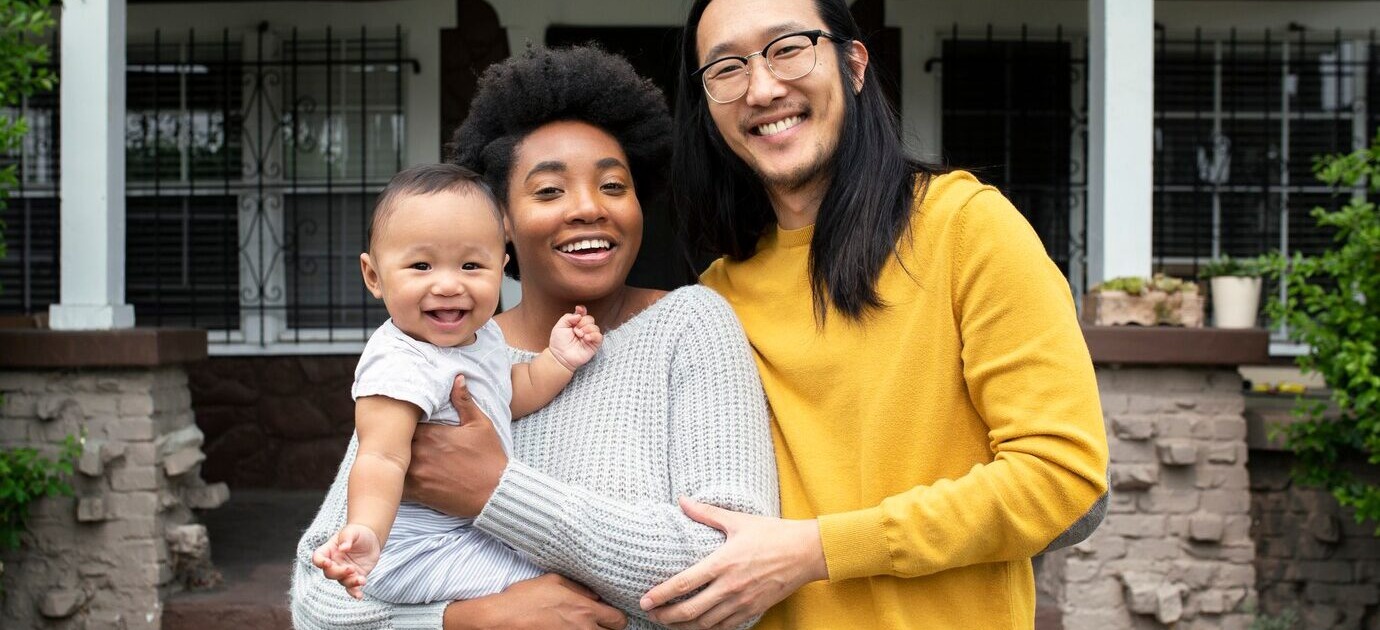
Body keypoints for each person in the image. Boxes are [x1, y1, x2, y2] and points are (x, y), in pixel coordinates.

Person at [634, 0, 1111, 629]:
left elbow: (1061, 477)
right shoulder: (716, 299)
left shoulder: (964, 228)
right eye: (725, 68)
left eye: (787, 48)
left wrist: (816, 550)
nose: (762, 87)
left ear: (853, 64)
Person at [289, 45, 779, 630]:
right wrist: (471, 620)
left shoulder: (692, 326)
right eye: (548, 191)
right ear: (500, 225)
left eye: (614, 186)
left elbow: (731, 573)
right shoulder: (435, 350)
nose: (588, 208)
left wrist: (496, 491)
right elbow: (320, 600)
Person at [311, 164, 603, 604]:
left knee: (563, 571)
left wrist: (559, 359)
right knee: (563, 585)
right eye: (421, 265)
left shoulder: (484, 336)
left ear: (500, 268)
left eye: (471, 265)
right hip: (414, 552)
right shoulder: (398, 364)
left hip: (470, 533)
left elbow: (509, 393)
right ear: (374, 276)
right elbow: (381, 458)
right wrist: (366, 531)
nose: (448, 285)